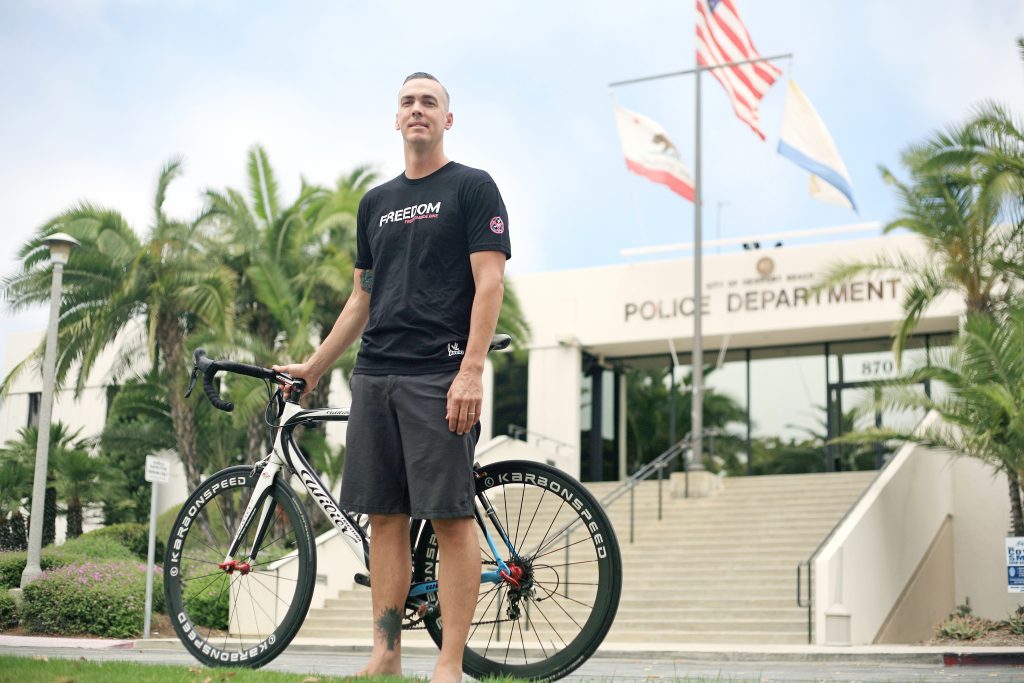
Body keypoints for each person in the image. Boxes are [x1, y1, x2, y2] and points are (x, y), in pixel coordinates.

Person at [274, 72, 510, 683]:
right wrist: (314, 366)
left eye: (429, 102)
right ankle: (385, 656)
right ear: (396, 118)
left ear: (447, 119)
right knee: (384, 517)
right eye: (408, 102)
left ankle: (450, 664)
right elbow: (361, 299)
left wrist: (470, 372)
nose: (418, 110)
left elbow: (490, 283)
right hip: (376, 374)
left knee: (452, 517)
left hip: (440, 375)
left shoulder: (472, 187)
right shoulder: (375, 203)